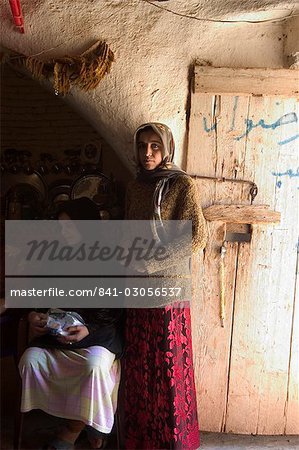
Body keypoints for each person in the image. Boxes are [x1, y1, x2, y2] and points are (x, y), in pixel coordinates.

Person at [124, 123, 207, 449]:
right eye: (142, 146)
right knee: (141, 371)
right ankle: (142, 439)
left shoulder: (181, 184)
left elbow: (197, 236)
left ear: (167, 148)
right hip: (136, 291)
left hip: (168, 293)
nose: (147, 153)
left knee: (168, 367)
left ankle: (174, 441)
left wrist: (151, 263)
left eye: (154, 146)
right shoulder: (135, 186)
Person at [18, 197, 124, 450]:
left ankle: (73, 430)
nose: (63, 232)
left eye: (70, 226)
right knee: (30, 360)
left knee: (94, 366)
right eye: (61, 227)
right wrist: (34, 315)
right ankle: (76, 424)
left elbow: (116, 310)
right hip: (58, 339)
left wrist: (89, 330)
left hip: (97, 337)